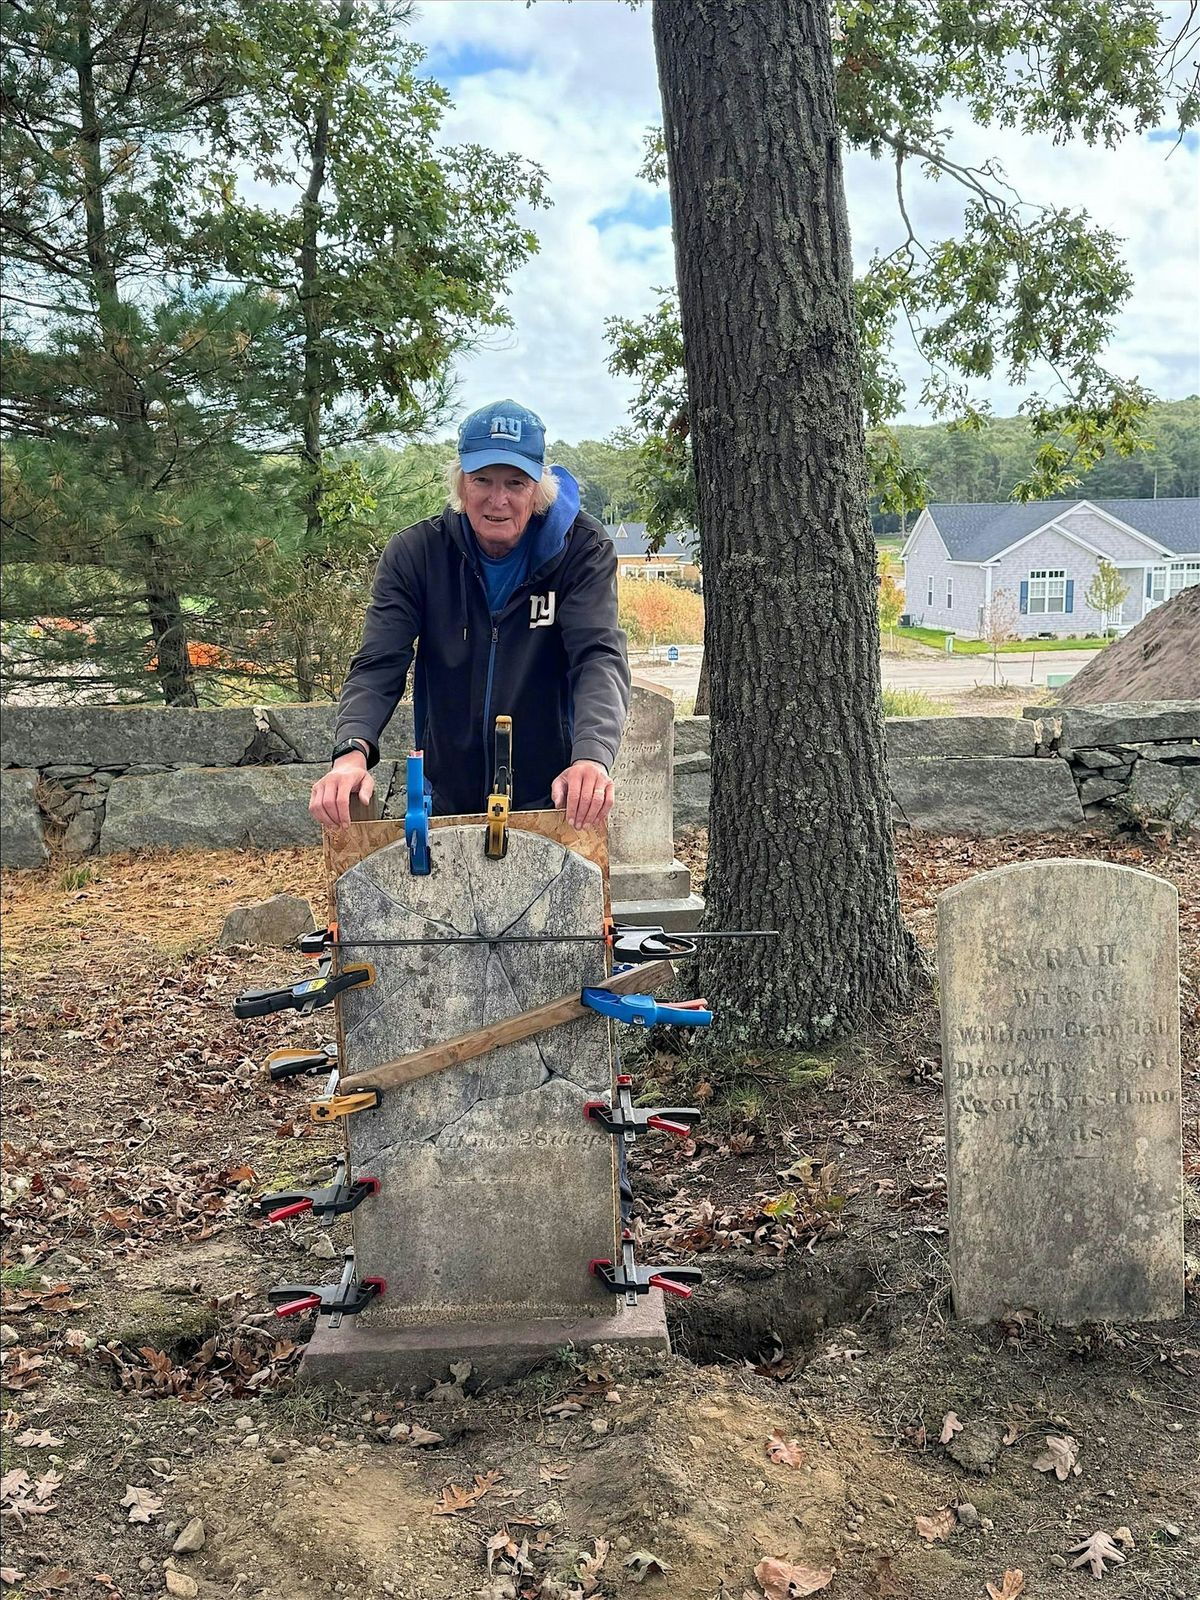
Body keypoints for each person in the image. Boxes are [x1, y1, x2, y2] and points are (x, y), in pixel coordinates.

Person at [309, 399, 631, 831]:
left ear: (538, 489)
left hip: (554, 791)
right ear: (461, 484)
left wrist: (591, 757)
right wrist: (351, 753)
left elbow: (598, 655)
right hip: (447, 792)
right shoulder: (416, 553)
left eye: (515, 483)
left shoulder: (583, 549)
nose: (498, 500)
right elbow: (378, 662)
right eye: (483, 480)